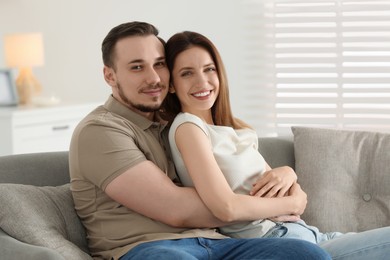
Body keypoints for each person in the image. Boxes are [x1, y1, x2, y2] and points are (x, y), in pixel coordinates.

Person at [69, 21, 331, 260]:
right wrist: (276, 204)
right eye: (137, 67)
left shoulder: (170, 123)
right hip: (147, 248)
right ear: (110, 75)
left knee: (306, 254)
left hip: (216, 242)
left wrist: (284, 175)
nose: (154, 78)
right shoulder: (100, 131)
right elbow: (177, 209)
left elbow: (233, 176)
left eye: (159, 64)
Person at [162, 30, 390, 260]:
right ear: (171, 85)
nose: (202, 81)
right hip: (278, 240)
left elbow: (272, 184)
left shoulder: (234, 130)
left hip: (311, 234)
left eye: (208, 69)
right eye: (187, 73)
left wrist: (288, 174)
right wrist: (293, 202)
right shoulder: (188, 127)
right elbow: (227, 208)